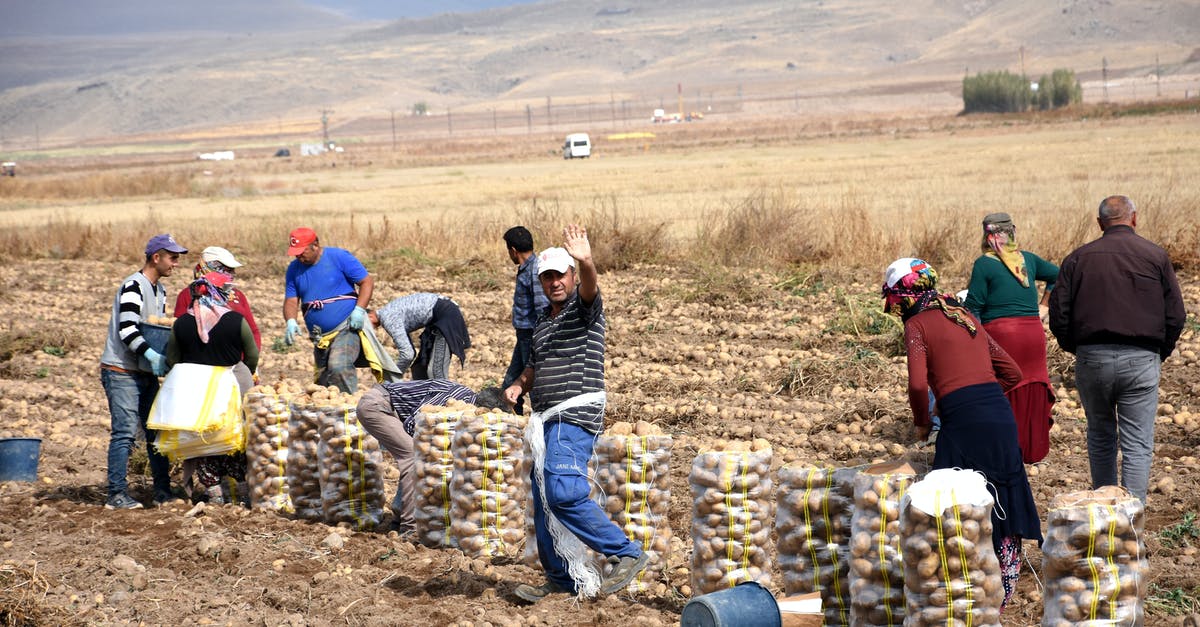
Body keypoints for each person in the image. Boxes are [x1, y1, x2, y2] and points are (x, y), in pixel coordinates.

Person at [883, 257, 1042, 608]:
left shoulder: (918, 326)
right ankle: (1001, 592)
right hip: (1000, 419)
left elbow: (916, 384)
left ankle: (960, 588)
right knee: (1003, 499)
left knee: (951, 502)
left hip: (962, 424)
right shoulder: (965, 316)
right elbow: (1012, 373)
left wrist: (925, 418)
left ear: (903, 297)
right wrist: (979, 396)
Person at [502, 225, 648, 602]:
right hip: (545, 419)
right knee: (544, 501)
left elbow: (590, 289)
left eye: (560, 274)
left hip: (575, 414)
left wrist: (586, 261)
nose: (554, 282)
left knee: (563, 491)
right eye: (547, 276)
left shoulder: (583, 311)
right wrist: (521, 384)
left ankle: (626, 552)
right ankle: (562, 580)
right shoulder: (541, 324)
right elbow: (535, 366)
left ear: (570, 276)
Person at [1048, 195, 1186, 504]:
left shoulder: (1077, 258)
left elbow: (1059, 314)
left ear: (1100, 224)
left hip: (1092, 357)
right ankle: (1131, 518)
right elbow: (1176, 315)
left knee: (1100, 435)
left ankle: (1104, 511)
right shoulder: (1155, 256)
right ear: (1134, 219)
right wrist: (1157, 352)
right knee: (1137, 443)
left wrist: (1078, 348)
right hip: (1141, 358)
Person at [963, 212, 1060, 464]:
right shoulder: (1028, 260)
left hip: (1002, 335)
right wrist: (1045, 305)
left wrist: (973, 338)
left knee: (1002, 386)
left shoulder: (984, 264)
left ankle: (1005, 448)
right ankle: (1032, 448)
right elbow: (1058, 275)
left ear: (986, 236)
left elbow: (974, 305)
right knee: (1032, 384)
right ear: (1013, 232)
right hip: (1033, 333)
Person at [100, 233, 188, 510]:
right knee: (125, 433)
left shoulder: (159, 290)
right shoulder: (133, 287)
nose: (176, 264)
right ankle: (115, 494)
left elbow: (154, 328)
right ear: (156, 257)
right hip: (121, 370)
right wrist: (150, 354)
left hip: (144, 371)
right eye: (173, 258)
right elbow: (127, 329)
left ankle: (161, 489)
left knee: (155, 432)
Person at [355, 381, 502, 534]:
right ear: (484, 409)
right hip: (377, 405)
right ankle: (409, 528)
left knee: (418, 458)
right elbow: (415, 422)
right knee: (413, 458)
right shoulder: (461, 398)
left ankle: (398, 517)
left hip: (386, 407)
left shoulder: (464, 409)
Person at [166, 272, 260, 504]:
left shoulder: (182, 323)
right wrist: (242, 369)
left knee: (205, 439)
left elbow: (172, 359)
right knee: (234, 437)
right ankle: (241, 492)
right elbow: (252, 355)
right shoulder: (236, 321)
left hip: (197, 392)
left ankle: (214, 491)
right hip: (230, 387)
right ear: (221, 294)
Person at [282, 227, 374, 394]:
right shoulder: (294, 269)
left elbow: (367, 282)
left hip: (346, 326)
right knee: (323, 384)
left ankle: (349, 410)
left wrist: (359, 310)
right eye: (295, 252)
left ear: (315, 245)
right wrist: (291, 320)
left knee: (339, 366)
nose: (298, 256)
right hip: (319, 336)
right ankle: (332, 417)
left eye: (302, 252)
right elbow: (291, 300)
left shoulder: (339, 257)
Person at [174, 246, 261, 385]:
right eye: (227, 269)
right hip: (200, 372)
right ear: (210, 268)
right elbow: (180, 335)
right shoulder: (188, 295)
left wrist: (250, 366)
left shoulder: (237, 296)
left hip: (236, 369)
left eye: (233, 270)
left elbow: (253, 331)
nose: (233, 273)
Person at [368, 293, 470, 380]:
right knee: (420, 369)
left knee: (436, 371)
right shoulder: (389, 312)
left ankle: (445, 401)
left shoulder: (388, 319)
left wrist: (391, 379)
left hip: (446, 315)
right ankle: (425, 401)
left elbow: (407, 354)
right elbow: (410, 352)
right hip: (437, 316)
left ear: (370, 316)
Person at [502, 226, 549, 414]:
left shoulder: (533, 270)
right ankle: (513, 423)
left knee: (531, 382)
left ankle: (540, 422)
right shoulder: (526, 268)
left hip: (531, 336)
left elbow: (541, 306)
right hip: (523, 335)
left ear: (513, 250)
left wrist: (538, 339)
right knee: (511, 382)